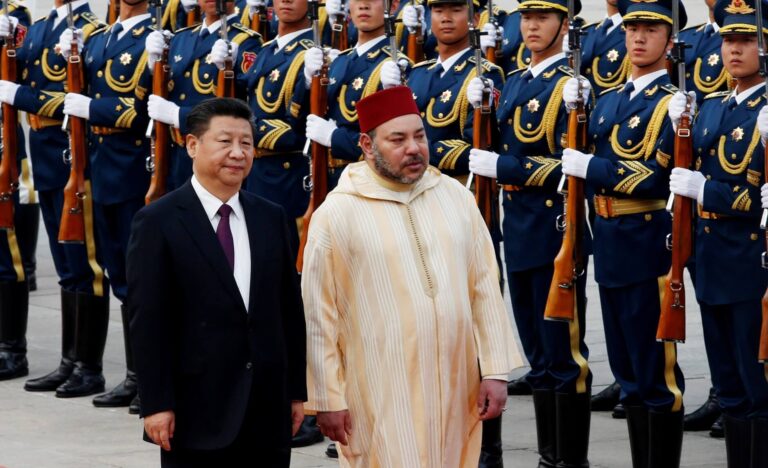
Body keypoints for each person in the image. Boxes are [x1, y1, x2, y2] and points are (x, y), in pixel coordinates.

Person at [302, 85, 521, 466]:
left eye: (419, 136)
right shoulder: (336, 214)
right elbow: (319, 315)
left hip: (456, 386)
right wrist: (327, 398)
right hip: (380, 391)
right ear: (367, 145)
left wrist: (495, 370)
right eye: (398, 140)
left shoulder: (454, 196)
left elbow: (484, 287)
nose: (414, 148)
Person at [128, 98, 307, 467]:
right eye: (225, 142)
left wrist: (295, 392)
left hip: (266, 409)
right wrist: (156, 403)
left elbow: (289, 312)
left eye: (246, 143)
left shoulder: (271, 217)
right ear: (193, 145)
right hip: (195, 411)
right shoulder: (158, 221)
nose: (238, 153)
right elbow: (148, 321)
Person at [559, 0, 686, 465]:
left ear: (669, 42)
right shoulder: (610, 99)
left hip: (645, 241)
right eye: (633, 29)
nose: (639, 38)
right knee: (627, 373)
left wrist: (592, 167)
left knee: (656, 375)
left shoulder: (672, 102)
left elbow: (655, 177)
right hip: (609, 241)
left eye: (651, 30)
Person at [467, 0, 592, 465]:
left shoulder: (572, 85)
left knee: (564, 355)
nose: (532, 26)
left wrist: (503, 166)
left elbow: (566, 165)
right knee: (538, 354)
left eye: (543, 18)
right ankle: (548, 457)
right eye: (527, 18)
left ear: (564, 24)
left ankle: (569, 460)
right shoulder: (517, 80)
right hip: (518, 228)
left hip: (554, 228)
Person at [0, 1, 112, 398]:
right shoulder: (41, 26)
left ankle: (89, 368)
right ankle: (70, 362)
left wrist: (21, 96)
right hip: (45, 155)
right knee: (66, 266)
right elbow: (19, 75)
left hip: (71, 152)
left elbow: (73, 99)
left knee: (86, 264)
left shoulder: (91, 29)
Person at [676, 0, 768, 465]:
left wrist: (706, 192)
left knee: (757, 386)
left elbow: (758, 200)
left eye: (746, 41)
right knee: (728, 385)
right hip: (711, 260)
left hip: (750, 264)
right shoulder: (712, 106)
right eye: (729, 40)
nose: (734, 49)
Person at [57, 0, 153, 413]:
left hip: (131, 168)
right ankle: (134, 376)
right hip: (99, 166)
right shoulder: (101, 37)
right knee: (118, 275)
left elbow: (144, 110)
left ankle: (148, 380)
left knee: (140, 278)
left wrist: (92, 108)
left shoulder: (153, 39)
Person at [677, 0, 731, 438]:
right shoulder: (692, 41)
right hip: (704, 214)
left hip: (742, 218)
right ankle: (723, 393)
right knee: (713, 312)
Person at [146, 0, 262, 191]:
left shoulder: (246, 41)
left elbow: (247, 102)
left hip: (215, 157)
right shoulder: (181, 38)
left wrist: (177, 115)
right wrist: (152, 65)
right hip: (175, 154)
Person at [304, 0, 411, 190]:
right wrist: (306, 80)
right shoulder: (339, 61)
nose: (363, 5)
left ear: (393, 6)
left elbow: (393, 143)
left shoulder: (396, 67)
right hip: (329, 182)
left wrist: (334, 138)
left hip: (370, 183)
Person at [0, 0, 33, 383]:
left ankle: (12, 348)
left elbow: (20, 67)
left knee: (6, 250)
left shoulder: (13, 13)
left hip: (2, 145)